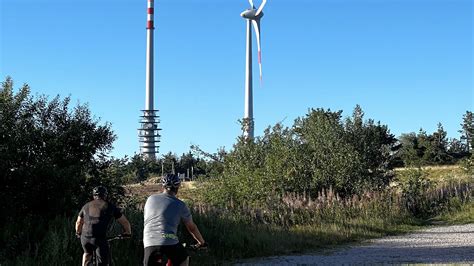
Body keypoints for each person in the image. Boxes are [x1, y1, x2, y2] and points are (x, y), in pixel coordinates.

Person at [143, 174, 207, 266]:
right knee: (183, 258)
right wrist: (201, 242)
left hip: (149, 242)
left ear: (163, 186)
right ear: (178, 187)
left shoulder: (150, 199)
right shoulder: (180, 204)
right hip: (170, 240)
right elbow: (191, 228)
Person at [75, 186, 131, 266]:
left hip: (85, 238)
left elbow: (78, 222)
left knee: (87, 253)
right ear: (105, 195)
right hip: (99, 238)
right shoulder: (110, 206)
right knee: (103, 262)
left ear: (94, 196)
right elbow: (125, 222)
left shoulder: (86, 206)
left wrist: (78, 233)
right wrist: (127, 232)